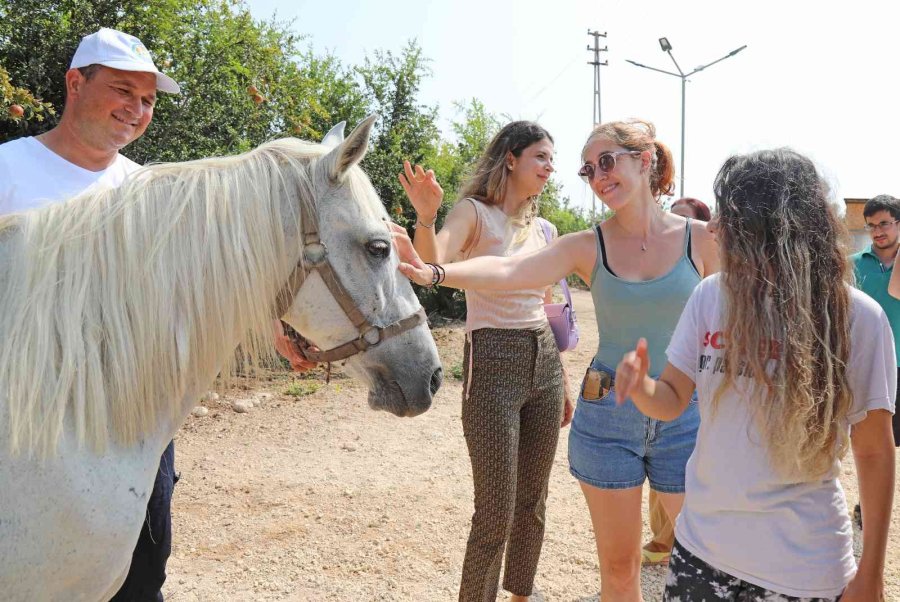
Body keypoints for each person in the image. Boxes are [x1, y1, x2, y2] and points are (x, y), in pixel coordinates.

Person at [398, 119, 719, 600]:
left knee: (707, 561)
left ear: (645, 159)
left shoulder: (705, 239)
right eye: (589, 169)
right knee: (616, 567)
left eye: (606, 161)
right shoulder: (584, 244)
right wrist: (434, 270)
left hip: (685, 415)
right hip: (607, 413)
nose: (597, 176)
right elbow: (508, 270)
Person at [614, 148, 895, 600]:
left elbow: (875, 452)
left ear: (768, 226)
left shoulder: (856, 317)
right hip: (698, 553)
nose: (713, 227)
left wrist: (872, 573)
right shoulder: (711, 296)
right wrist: (643, 387)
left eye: (728, 213)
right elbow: (670, 397)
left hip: (802, 572)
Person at [0, 27, 183, 601]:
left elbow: (177, 291)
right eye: (124, 90)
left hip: (132, 414)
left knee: (140, 572)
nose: (137, 109)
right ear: (75, 84)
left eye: (148, 99)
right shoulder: (9, 169)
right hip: (24, 418)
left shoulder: (147, 189)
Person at [399, 121, 572, 602]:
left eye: (551, 158)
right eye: (541, 156)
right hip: (492, 356)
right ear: (511, 158)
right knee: (495, 507)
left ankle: (521, 593)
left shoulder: (546, 229)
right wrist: (427, 217)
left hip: (544, 360)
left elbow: (550, 309)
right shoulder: (474, 213)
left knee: (533, 502)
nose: (550, 167)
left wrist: (564, 379)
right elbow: (432, 262)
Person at [641, 193, 715, 566]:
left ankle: (686, 541)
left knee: (683, 463)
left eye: (685, 221)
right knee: (659, 465)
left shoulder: (707, 272)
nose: (675, 228)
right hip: (658, 373)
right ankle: (664, 536)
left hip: (696, 374)